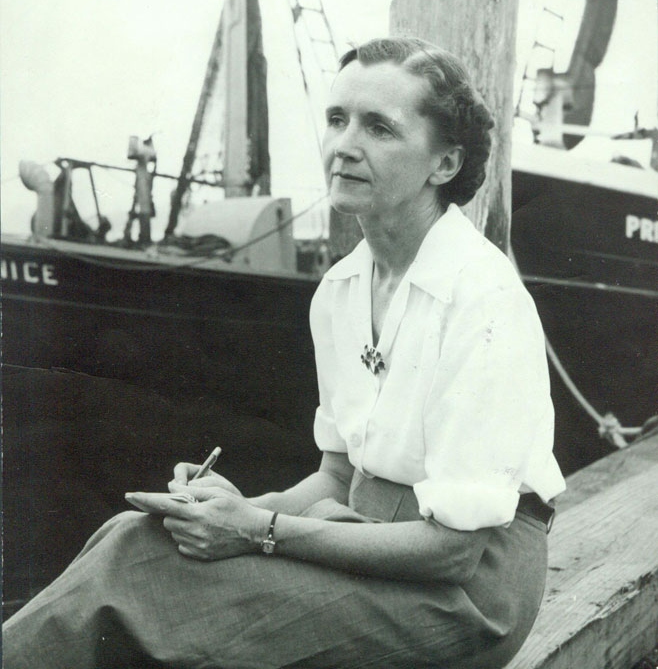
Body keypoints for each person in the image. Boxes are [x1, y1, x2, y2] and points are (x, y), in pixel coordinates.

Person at [3, 37, 566, 669]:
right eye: (336, 119)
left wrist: (255, 529)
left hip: (466, 594)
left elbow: (453, 552)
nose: (344, 145)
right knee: (135, 539)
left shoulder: (482, 295)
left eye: (379, 127)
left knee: (137, 589)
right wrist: (232, 509)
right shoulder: (341, 290)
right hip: (370, 533)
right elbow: (337, 476)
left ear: (444, 164)